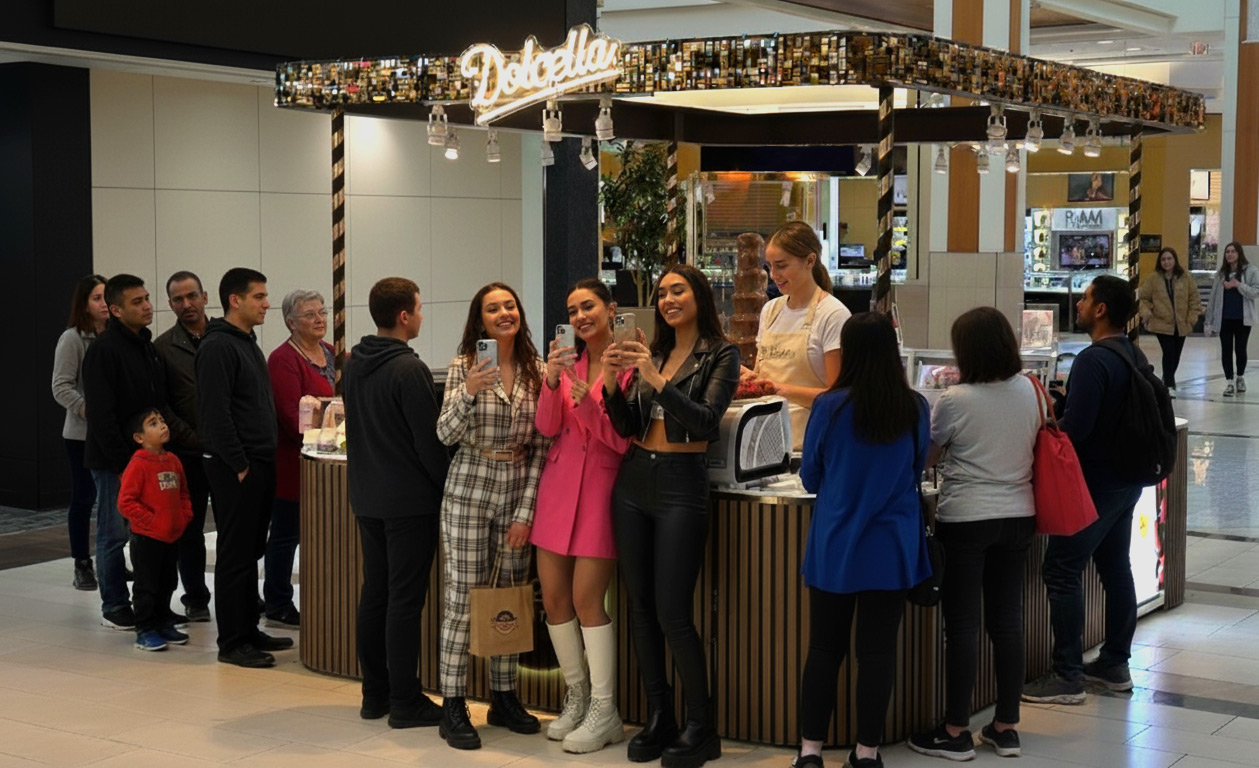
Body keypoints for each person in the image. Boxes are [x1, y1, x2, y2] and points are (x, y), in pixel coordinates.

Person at [603, 264, 740, 768]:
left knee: (672, 613)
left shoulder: (722, 354)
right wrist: (609, 381)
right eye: (661, 293)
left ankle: (702, 727)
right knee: (639, 607)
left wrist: (657, 381)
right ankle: (660, 716)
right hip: (635, 478)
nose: (667, 300)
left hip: (683, 483)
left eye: (677, 290)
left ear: (699, 295)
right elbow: (627, 427)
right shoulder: (653, 351)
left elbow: (705, 421)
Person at [795, 311, 931, 768]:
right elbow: (916, 472)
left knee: (824, 649)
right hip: (892, 548)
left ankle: (810, 753)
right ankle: (867, 753)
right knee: (876, 654)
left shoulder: (830, 407)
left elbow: (811, 476)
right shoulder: (914, 407)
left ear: (848, 352)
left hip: (835, 542)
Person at [907, 308, 1039, 761]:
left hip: (966, 519)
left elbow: (927, 458)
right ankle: (1005, 726)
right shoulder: (1030, 390)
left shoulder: (956, 399)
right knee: (1007, 620)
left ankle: (956, 729)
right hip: (1020, 513)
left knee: (962, 624)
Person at [1023, 275, 1148, 705]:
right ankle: (1114, 662)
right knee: (1115, 568)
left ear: (1101, 310)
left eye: (1086, 298)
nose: (1078, 303)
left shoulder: (1094, 360)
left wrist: (1050, 415)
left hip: (1094, 483)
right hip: (1126, 480)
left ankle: (1067, 674)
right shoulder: (1132, 352)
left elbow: (1076, 429)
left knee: (1061, 568)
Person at [435, 282, 549, 750]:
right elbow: (444, 434)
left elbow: (543, 446)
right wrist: (468, 393)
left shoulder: (537, 370)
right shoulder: (465, 366)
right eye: (492, 308)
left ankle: (503, 697)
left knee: (510, 597)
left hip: (517, 488)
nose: (504, 313)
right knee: (463, 598)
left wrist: (526, 512)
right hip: (468, 486)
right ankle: (454, 702)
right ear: (479, 320)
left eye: (510, 306)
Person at [344, 278, 451, 728]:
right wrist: (448, 484)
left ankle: (375, 694)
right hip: (408, 501)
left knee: (376, 594)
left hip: (368, 495)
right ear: (404, 316)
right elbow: (428, 444)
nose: (423, 316)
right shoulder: (409, 370)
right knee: (405, 601)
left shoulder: (353, 363)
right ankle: (406, 701)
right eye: (420, 309)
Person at [533, 279, 633, 754]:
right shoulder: (566, 363)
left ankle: (605, 707)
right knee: (554, 599)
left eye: (587, 306)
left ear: (610, 309)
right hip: (557, 485)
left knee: (587, 599)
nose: (579, 316)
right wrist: (552, 383)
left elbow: (619, 438)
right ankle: (577, 694)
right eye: (572, 309)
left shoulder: (629, 360)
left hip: (602, 487)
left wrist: (585, 396)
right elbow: (547, 427)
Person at [82, 274, 194, 631]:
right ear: (115, 310)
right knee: (114, 533)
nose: (147, 306)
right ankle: (114, 603)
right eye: (137, 302)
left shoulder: (146, 346)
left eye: (147, 299)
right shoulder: (103, 350)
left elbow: (156, 401)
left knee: (153, 533)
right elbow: (100, 415)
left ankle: (154, 603)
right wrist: (124, 463)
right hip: (117, 459)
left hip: (151, 454)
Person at [197, 267, 291, 669]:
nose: (267, 303)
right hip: (238, 465)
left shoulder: (245, 341)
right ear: (235, 300)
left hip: (259, 461)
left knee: (251, 549)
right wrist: (237, 463)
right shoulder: (218, 346)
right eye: (259, 296)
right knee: (235, 554)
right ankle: (232, 641)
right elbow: (215, 413)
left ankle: (248, 628)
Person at [265, 289, 336, 629]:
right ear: (290, 322)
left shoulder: (333, 353)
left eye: (322, 312)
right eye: (310, 314)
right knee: (286, 535)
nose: (320, 319)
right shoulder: (283, 359)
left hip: (332, 464)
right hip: (296, 464)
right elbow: (293, 416)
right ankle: (277, 601)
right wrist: (331, 421)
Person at [744, 222, 850, 451]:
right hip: (764, 441)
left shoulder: (833, 314)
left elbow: (839, 397)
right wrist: (749, 378)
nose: (773, 276)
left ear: (810, 261)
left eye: (781, 266)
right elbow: (764, 375)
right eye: (769, 266)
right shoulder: (770, 311)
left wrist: (777, 388)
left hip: (812, 443)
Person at [153, 270, 213, 622]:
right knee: (189, 530)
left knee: (237, 529)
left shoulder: (229, 335)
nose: (187, 304)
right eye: (178, 299)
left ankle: (245, 596)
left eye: (192, 296)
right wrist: (195, 439)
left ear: (205, 297)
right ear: (171, 304)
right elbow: (163, 407)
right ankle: (195, 597)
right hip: (187, 454)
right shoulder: (162, 348)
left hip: (228, 451)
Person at [117, 409, 194, 652]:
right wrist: (151, 522)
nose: (162, 425)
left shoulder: (173, 460)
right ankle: (145, 628)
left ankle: (163, 621)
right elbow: (125, 502)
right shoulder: (138, 464)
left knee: (167, 582)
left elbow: (183, 493)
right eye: (153, 423)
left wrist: (184, 516)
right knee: (146, 585)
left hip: (171, 535)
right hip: (147, 538)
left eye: (161, 420)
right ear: (139, 437)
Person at [51, 274, 108, 591]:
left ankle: (110, 559)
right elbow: (60, 387)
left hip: (114, 435)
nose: (103, 304)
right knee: (84, 499)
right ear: (84, 304)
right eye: (96, 298)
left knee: (116, 501)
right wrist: (89, 409)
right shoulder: (72, 339)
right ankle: (81, 564)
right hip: (81, 435)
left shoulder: (116, 336)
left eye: (105, 297)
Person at [1138, 247, 1202, 397]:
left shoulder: (1185, 277)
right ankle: (1169, 384)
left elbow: (1194, 298)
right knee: (1169, 352)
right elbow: (1143, 297)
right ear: (1160, 262)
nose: (1166, 262)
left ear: (1175, 260)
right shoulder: (1153, 278)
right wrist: (1146, 312)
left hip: (1182, 323)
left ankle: (1167, 378)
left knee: (1176, 355)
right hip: (1162, 323)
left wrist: (1192, 318)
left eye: (1169, 259)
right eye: (1163, 259)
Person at [1204, 242, 1259, 397]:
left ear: (1239, 253)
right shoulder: (1221, 274)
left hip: (1242, 319)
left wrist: (1238, 285)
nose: (1230, 254)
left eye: (1233, 251)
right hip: (1225, 318)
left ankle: (1240, 377)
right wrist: (1208, 320)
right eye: (1227, 251)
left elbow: (1256, 292)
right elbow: (1214, 298)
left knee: (1240, 349)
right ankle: (1229, 381)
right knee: (1226, 350)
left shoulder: (1251, 271)